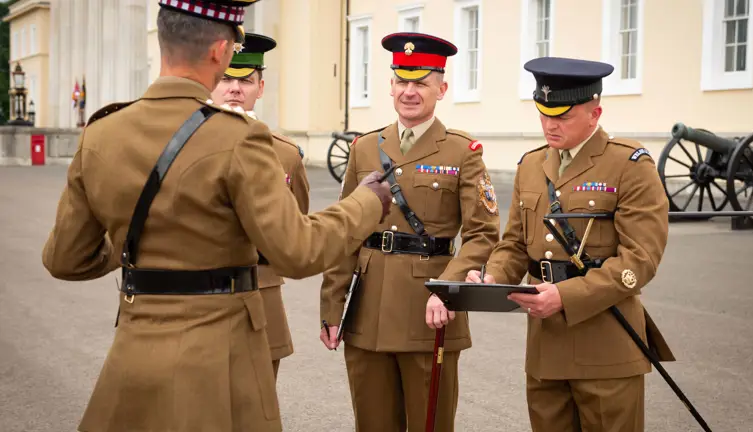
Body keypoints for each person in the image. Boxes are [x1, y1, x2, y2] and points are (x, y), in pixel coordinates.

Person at [40, 2, 393, 431]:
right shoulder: (239, 137)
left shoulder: (102, 131)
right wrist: (364, 203)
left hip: (132, 354)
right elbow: (297, 252)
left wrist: (144, 242)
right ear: (220, 51)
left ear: (164, 38)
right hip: (218, 360)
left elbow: (65, 259)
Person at [465, 56, 675, 431]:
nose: (550, 125)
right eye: (544, 113)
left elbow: (639, 260)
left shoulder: (628, 164)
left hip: (606, 343)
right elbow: (514, 242)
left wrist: (565, 297)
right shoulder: (531, 164)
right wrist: (492, 277)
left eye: (562, 116)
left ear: (595, 114)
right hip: (546, 348)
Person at [319, 32, 500, 431]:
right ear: (391, 86)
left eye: (421, 82)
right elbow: (345, 231)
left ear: (442, 88)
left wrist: (448, 287)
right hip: (368, 314)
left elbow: (483, 234)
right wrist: (333, 306)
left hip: (428, 312)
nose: (410, 92)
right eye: (402, 81)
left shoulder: (461, 152)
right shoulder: (365, 148)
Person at [211, 31, 308, 379]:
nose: (235, 88)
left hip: (261, 291)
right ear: (212, 81)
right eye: (226, 78)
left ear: (260, 88)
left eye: (246, 80)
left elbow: (297, 227)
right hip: (199, 294)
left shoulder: (285, 154)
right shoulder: (181, 143)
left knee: (258, 411)